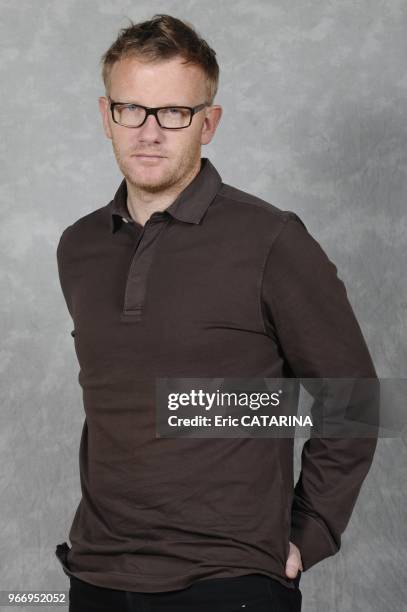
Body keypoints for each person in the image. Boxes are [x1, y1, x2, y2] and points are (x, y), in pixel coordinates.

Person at [55, 13, 378, 612]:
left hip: (229, 582)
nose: (150, 132)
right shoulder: (80, 247)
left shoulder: (272, 241)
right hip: (97, 572)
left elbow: (355, 398)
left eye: (175, 112)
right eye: (133, 109)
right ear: (107, 116)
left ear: (208, 124)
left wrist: (311, 533)